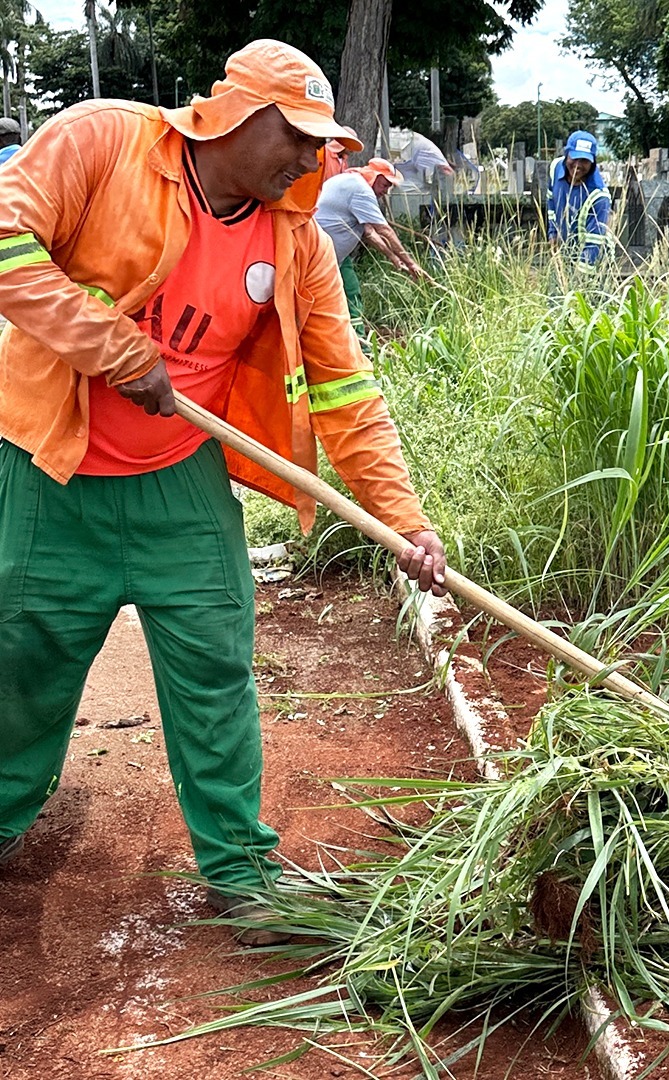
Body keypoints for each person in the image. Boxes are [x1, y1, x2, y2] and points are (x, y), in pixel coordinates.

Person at [0, 39, 449, 944]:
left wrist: (403, 522)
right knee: (23, 668)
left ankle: (242, 872)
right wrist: (114, 346)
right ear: (237, 116)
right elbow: (5, 242)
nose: (310, 156)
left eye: (320, 141)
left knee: (215, 672)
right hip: (52, 472)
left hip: (184, 490)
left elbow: (345, 392)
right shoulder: (103, 142)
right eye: (297, 134)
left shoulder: (297, 244)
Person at [316, 156, 426, 344]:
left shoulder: (352, 181)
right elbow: (384, 230)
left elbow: (368, 232)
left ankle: (354, 343)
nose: (385, 191)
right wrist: (411, 263)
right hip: (320, 258)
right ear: (374, 176)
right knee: (342, 300)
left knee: (350, 292)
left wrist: (393, 257)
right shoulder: (360, 190)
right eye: (384, 185)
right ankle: (356, 346)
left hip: (336, 258)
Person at [547, 130, 611, 268]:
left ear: (593, 162)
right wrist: (552, 233)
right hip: (562, 256)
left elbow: (593, 245)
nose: (578, 165)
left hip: (593, 265)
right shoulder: (556, 168)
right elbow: (551, 200)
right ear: (566, 155)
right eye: (574, 158)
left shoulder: (599, 196)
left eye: (584, 160)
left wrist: (577, 280)